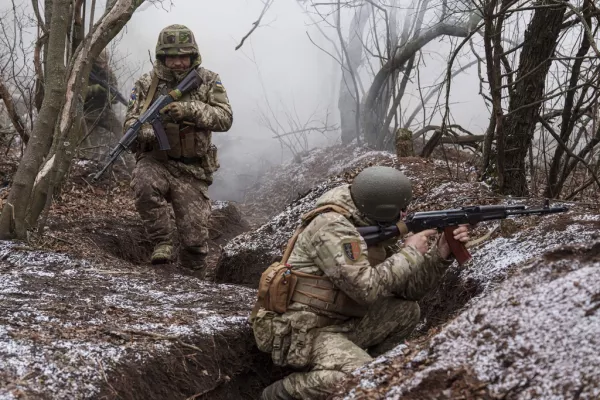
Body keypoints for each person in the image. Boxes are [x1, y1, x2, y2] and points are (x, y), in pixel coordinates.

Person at [251, 166, 470, 399]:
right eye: (401, 209)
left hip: (341, 321)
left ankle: (377, 373)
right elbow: (366, 289)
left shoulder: (367, 221)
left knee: (406, 311)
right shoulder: (331, 227)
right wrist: (410, 253)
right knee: (362, 380)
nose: (405, 214)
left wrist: (440, 255)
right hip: (303, 331)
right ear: (382, 209)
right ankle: (281, 392)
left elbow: (409, 290)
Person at [124, 24, 233, 273]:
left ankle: (191, 283)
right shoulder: (145, 84)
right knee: (143, 184)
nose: (178, 62)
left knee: (195, 241)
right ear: (162, 57)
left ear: (193, 55)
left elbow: (225, 117)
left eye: (184, 56)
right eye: (172, 56)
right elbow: (130, 120)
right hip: (157, 161)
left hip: (192, 169)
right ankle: (162, 242)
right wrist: (143, 130)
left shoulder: (208, 80)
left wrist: (190, 109)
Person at [81, 50, 124, 162]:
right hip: (87, 113)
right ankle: (90, 162)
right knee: (91, 143)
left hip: (104, 111)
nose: (102, 66)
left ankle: (124, 155)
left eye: (104, 63)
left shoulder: (109, 74)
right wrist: (94, 89)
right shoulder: (85, 71)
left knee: (120, 129)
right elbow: (77, 93)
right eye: (99, 63)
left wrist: (111, 96)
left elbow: (115, 98)